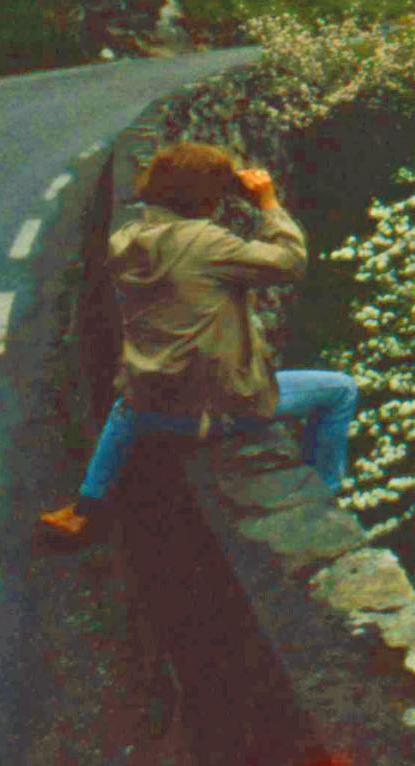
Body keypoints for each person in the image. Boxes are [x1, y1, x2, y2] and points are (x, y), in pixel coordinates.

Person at [37, 142, 358, 544]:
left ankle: (85, 508)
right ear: (208, 197)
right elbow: (290, 262)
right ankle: (325, 498)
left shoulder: (127, 239)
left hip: (151, 406)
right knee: (341, 391)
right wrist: (269, 204)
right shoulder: (208, 245)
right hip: (213, 411)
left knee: (125, 406)